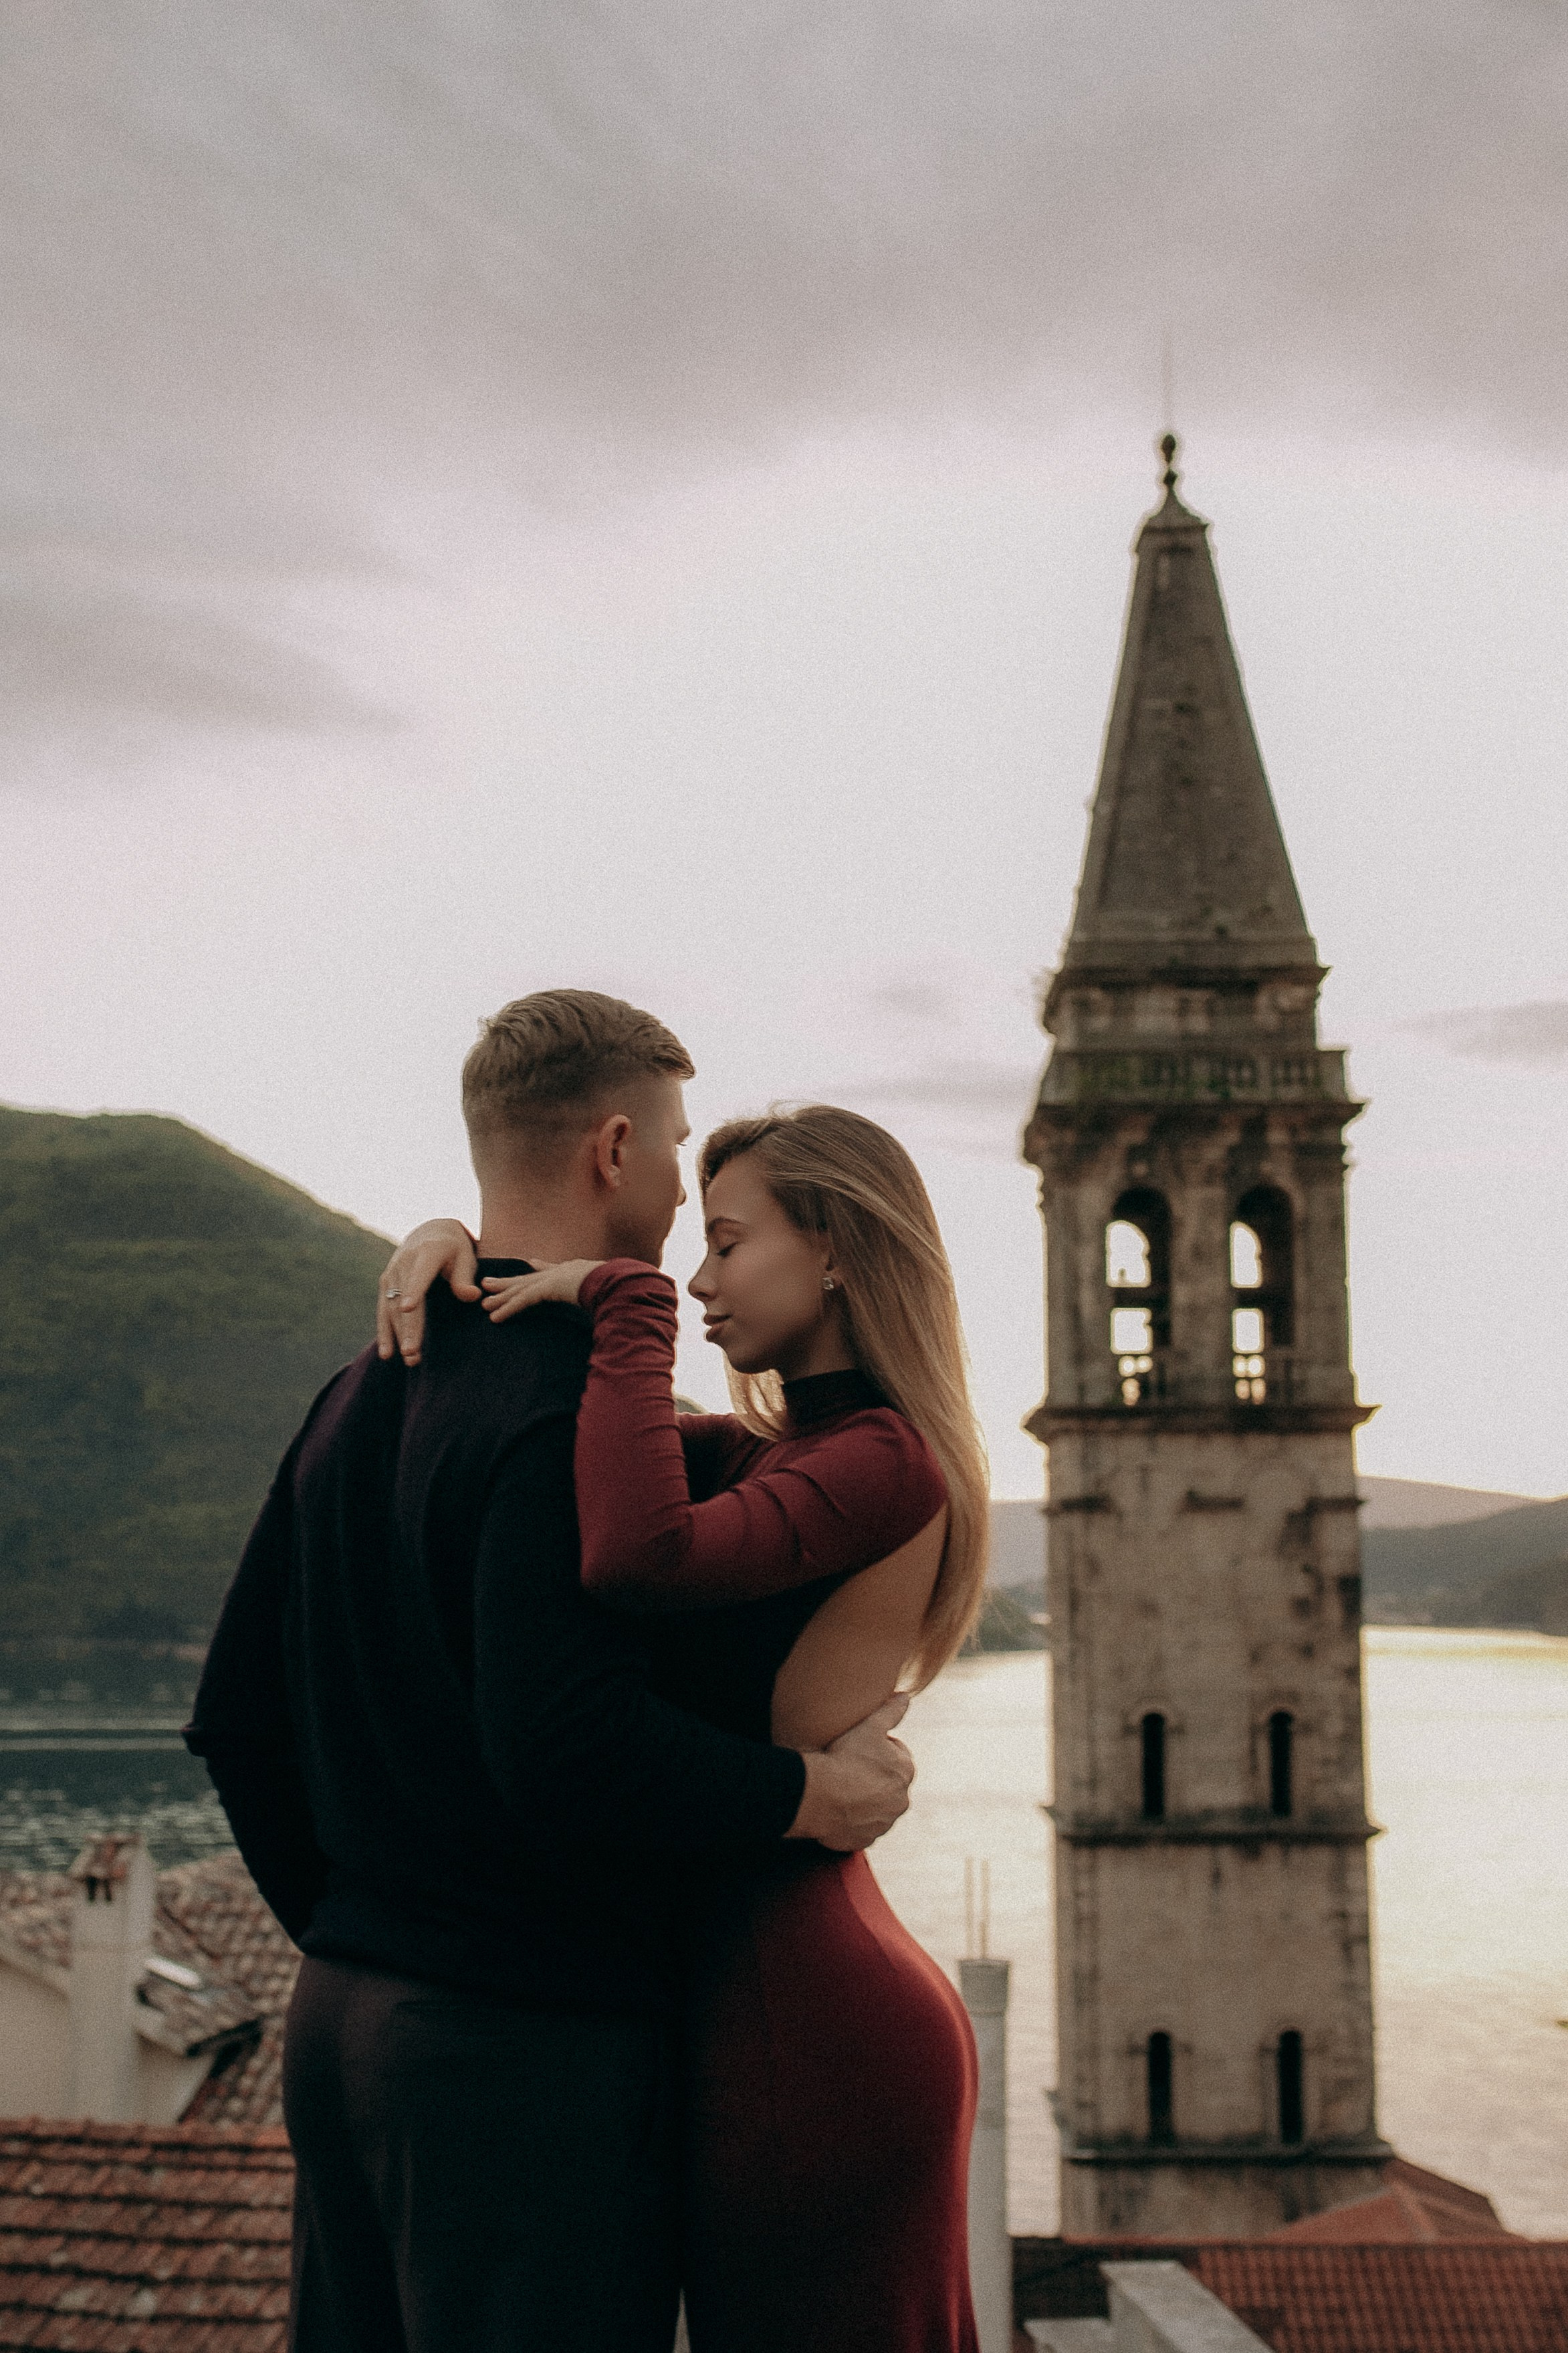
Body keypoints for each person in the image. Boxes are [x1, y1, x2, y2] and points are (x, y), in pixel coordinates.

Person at [185, 992, 916, 2353]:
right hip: (521, 2055)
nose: (685, 1193)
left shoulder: (356, 1387)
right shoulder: (581, 1405)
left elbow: (235, 1720)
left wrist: (365, 1934)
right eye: (678, 1144)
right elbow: (566, 1741)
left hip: (338, 2028)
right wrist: (803, 1793)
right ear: (617, 1146)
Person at [382, 1100, 992, 2352]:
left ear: (835, 1246)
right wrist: (452, 1249)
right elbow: (599, 1451)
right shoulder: (785, 1451)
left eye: (725, 1243)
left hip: (805, 2020)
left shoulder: (885, 1458)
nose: (697, 1281)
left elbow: (634, 1553)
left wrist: (625, 1300)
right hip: (759, 2003)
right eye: (691, 1253)